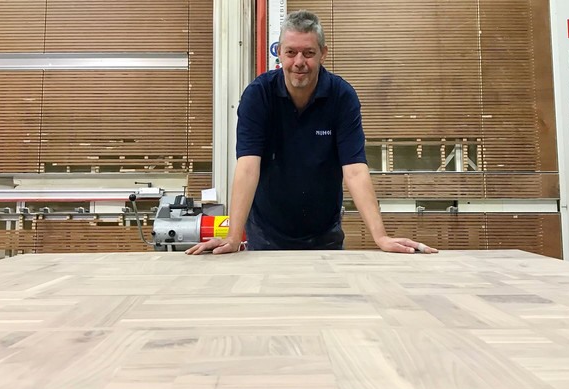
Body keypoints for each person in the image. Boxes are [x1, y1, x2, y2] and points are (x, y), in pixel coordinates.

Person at [187, 10, 437, 255]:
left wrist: (380, 237)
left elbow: (355, 170)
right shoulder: (258, 95)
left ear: (323, 54)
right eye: (291, 52)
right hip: (266, 236)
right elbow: (248, 168)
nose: (299, 62)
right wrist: (232, 237)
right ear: (279, 52)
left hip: (324, 235)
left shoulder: (342, 97)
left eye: (308, 53)